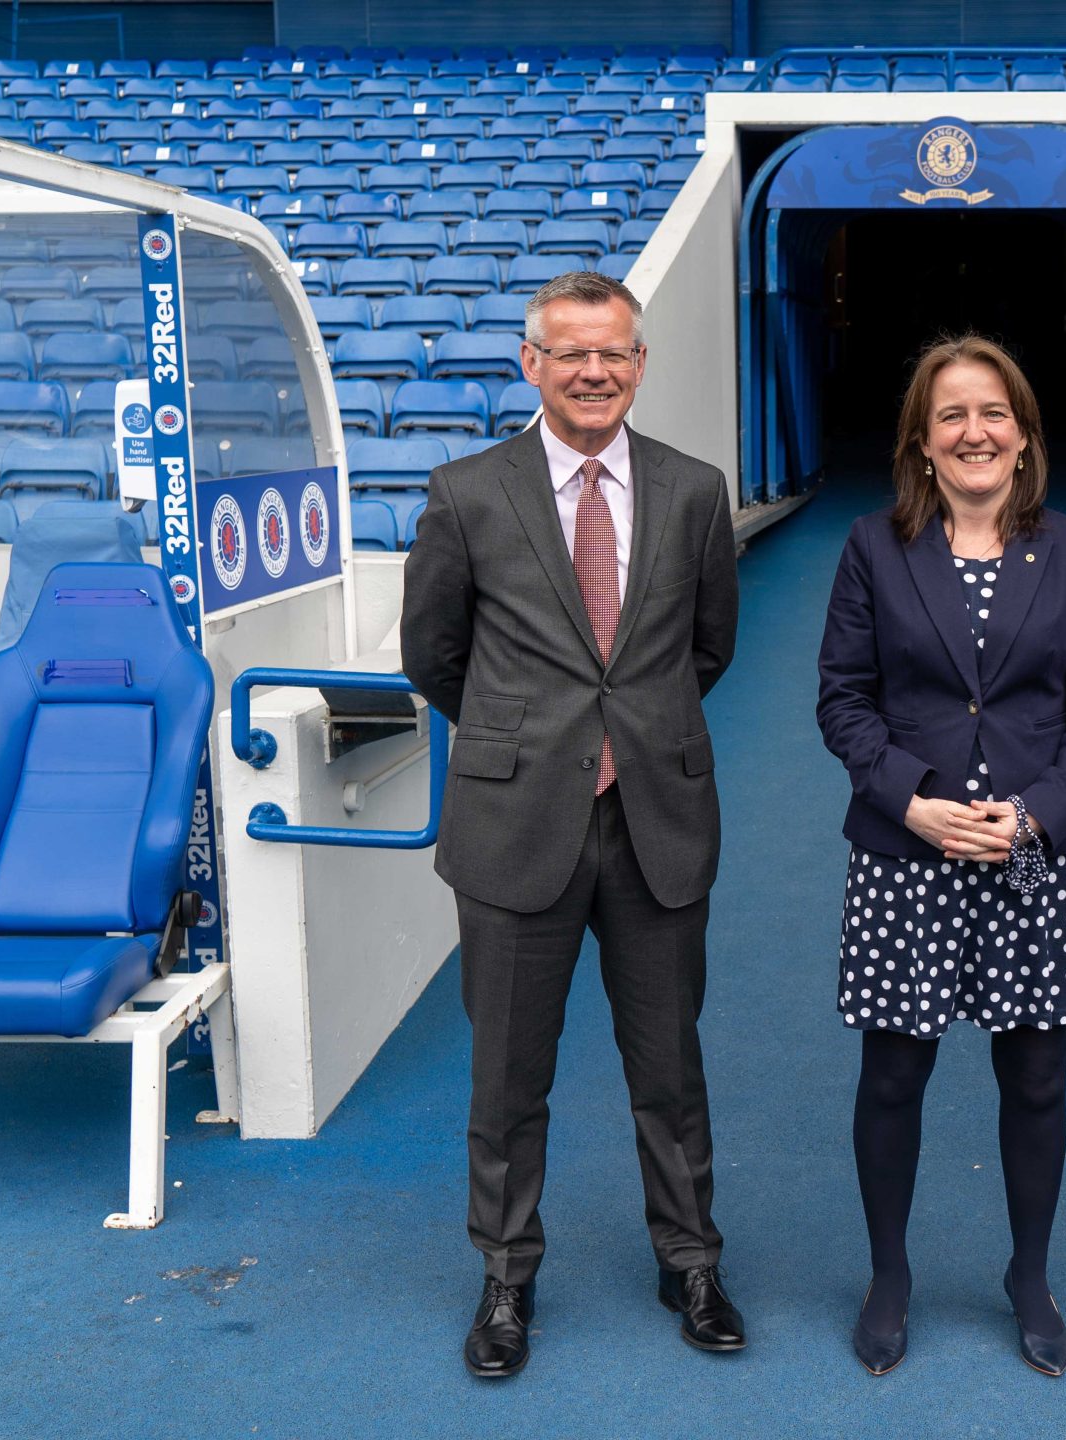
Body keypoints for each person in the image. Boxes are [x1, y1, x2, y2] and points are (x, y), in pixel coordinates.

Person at [400, 270, 744, 1380]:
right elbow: (434, 656)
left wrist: (625, 736)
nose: (594, 372)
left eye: (613, 354)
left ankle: (690, 1261)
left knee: (670, 1066)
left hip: (656, 820)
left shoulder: (695, 491)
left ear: (639, 364)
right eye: (571, 354)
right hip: (515, 825)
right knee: (508, 1077)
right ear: (531, 364)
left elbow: (707, 647)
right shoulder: (466, 493)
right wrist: (534, 741)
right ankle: (507, 1276)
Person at [816, 334, 1066, 1378]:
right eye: (950, 414)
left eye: (993, 411)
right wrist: (910, 801)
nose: (973, 431)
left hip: (1032, 854)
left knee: (1036, 1077)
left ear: (1025, 436)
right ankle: (889, 1277)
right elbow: (843, 700)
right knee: (893, 1073)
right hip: (908, 853)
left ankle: (1029, 1277)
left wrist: (1035, 814)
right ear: (921, 441)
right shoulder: (873, 547)